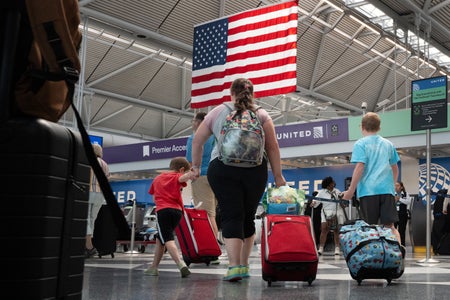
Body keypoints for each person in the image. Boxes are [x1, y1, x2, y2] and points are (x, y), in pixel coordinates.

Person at [190, 78, 286, 282]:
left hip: (222, 169)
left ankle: (233, 267)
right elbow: (273, 146)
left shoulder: (218, 111)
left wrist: (196, 166)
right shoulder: (261, 113)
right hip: (255, 170)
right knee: (248, 216)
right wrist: (278, 175)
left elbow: (197, 141)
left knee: (231, 214)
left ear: (231, 93)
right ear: (252, 93)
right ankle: (244, 265)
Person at [342, 112, 402, 248]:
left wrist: (351, 190)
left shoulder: (360, 144)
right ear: (379, 127)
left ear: (362, 126)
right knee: (390, 227)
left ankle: (373, 258)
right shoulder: (388, 144)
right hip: (387, 191)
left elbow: (360, 167)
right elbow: (395, 167)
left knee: (369, 228)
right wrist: (392, 186)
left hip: (368, 192)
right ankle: (398, 254)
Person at [144, 157, 196, 277]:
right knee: (160, 239)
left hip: (163, 210)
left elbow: (153, 198)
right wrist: (192, 173)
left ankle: (180, 264)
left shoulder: (158, 178)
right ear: (182, 169)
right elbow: (182, 178)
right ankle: (153, 267)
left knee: (167, 238)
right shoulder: (176, 177)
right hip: (177, 212)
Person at [186, 112, 221, 254]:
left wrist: (191, 174)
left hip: (201, 176)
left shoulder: (194, 137)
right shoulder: (216, 137)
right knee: (212, 212)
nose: (192, 123)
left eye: (194, 120)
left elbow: (190, 161)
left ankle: (212, 249)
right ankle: (213, 246)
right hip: (217, 176)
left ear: (199, 122)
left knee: (207, 215)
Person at [85, 143, 110, 258]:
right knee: (92, 219)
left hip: (88, 192)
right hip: (100, 195)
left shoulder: (88, 161)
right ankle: (88, 245)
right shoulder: (105, 164)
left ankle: (89, 246)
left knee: (86, 218)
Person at [312, 176, 344, 255]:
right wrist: (313, 203)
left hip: (337, 211)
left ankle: (337, 248)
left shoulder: (337, 191)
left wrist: (342, 201)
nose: (334, 183)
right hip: (326, 212)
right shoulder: (322, 192)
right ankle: (321, 248)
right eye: (332, 182)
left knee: (336, 230)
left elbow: (343, 202)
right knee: (324, 230)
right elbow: (316, 201)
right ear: (328, 184)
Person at [394, 181, 411, 247]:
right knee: (393, 231)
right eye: (395, 185)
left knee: (402, 231)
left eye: (398, 185)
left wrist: (399, 199)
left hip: (402, 214)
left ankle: (402, 246)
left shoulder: (406, 194)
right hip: (394, 214)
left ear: (401, 187)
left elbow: (408, 202)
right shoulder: (392, 194)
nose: (396, 187)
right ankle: (394, 245)